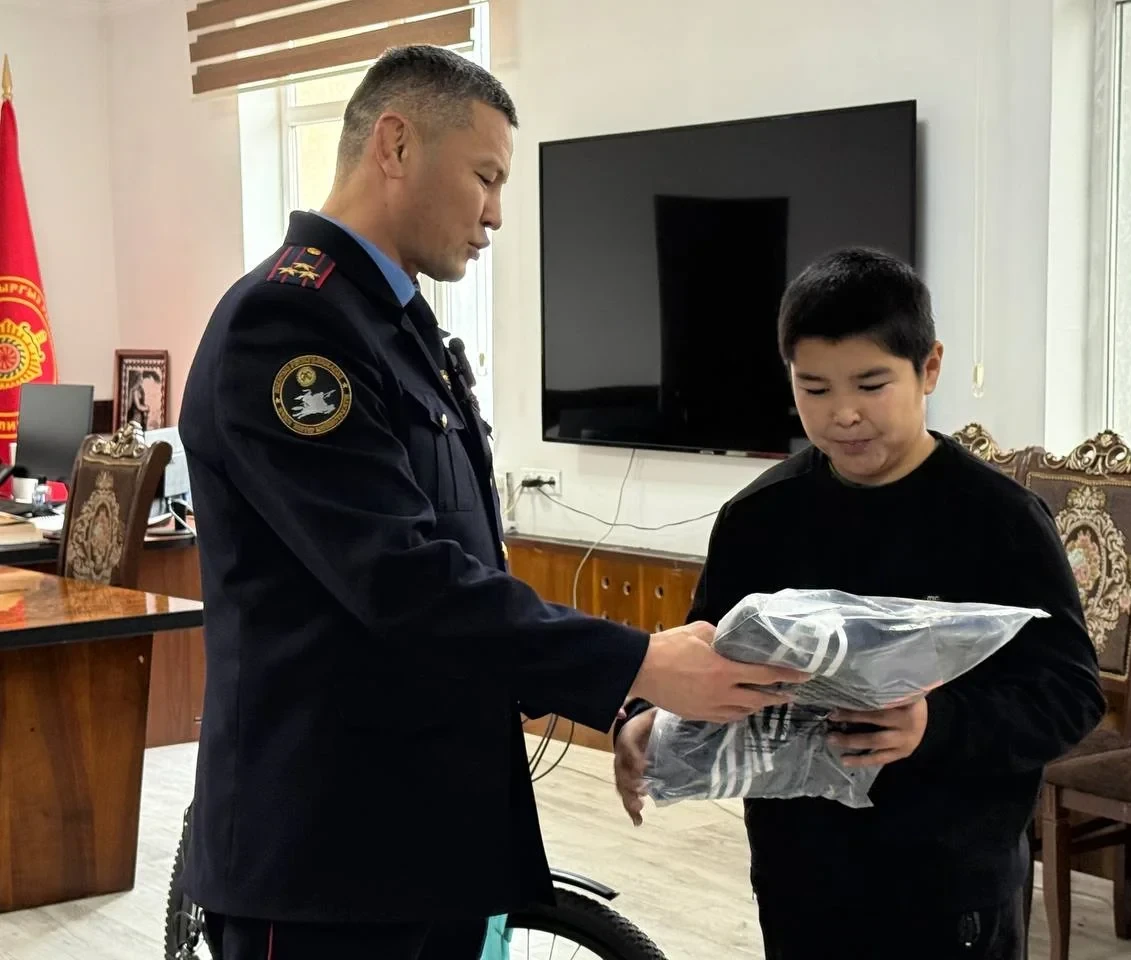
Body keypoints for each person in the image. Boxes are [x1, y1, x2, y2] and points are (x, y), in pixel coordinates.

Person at [177, 45, 807, 960]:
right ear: (396, 144)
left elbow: (469, 575)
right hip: (330, 857)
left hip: (427, 835)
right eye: (485, 176)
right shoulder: (288, 325)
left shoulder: (394, 326)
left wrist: (620, 702)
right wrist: (640, 661)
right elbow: (404, 584)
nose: (497, 214)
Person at [613, 248, 1106, 959]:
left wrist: (933, 724)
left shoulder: (998, 519)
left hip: (949, 882)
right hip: (801, 873)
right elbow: (703, 651)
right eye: (813, 388)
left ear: (929, 368)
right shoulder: (760, 517)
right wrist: (647, 716)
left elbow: (1069, 694)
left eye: (871, 384)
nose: (843, 414)